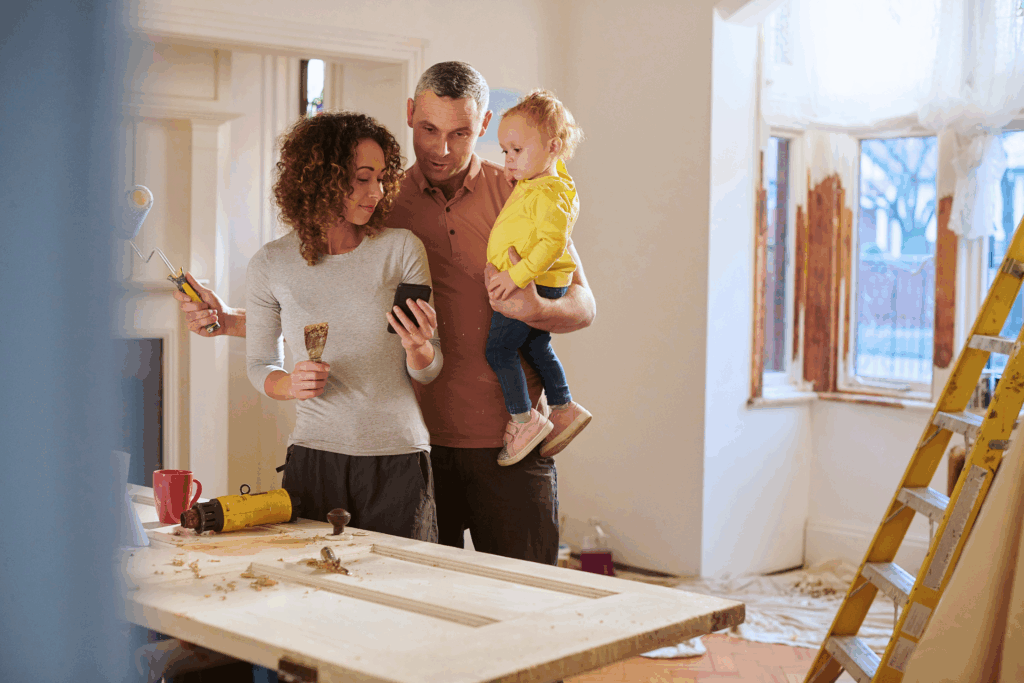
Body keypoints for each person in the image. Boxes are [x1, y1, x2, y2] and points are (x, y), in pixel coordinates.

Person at [175, 62, 596, 566]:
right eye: (429, 130)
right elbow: (337, 305)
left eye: (460, 132)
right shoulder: (378, 201)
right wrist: (232, 320)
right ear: (411, 115)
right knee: (414, 616)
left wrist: (535, 307)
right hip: (413, 451)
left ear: (482, 126)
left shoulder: (521, 189)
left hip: (510, 441)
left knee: (529, 606)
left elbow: (582, 305)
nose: (442, 148)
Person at [246, 110, 442, 541]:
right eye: (362, 178)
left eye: (382, 178)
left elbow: (429, 368)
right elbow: (260, 363)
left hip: (398, 456)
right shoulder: (271, 263)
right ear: (320, 180)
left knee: (400, 594)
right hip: (314, 458)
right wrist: (290, 384)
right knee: (312, 595)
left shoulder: (401, 249)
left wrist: (418, 348)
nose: (378, 191)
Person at [484, 89, 592, 467]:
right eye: (505, 152)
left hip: (534, 283)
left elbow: (551, 243)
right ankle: (563, 406)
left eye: (517, 150)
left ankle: (524, 419)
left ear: (553, 147)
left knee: (499, 350)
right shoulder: (538, 182)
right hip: (537, 279)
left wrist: (515, 276)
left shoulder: (551, 192)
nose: (509, 160)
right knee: (535, 346)